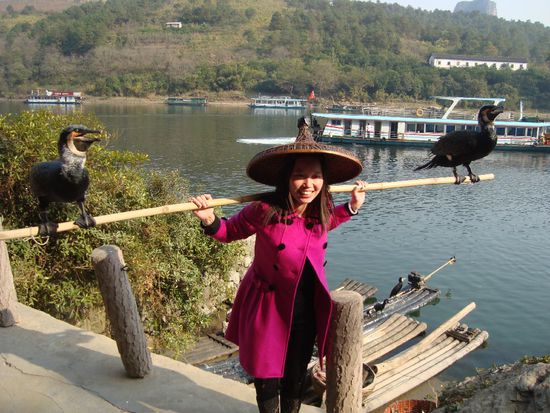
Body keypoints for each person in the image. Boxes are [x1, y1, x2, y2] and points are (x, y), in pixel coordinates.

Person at [190, 118, 366, 413]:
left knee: (296, 377)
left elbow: (328, 223)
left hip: (306, 309)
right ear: (286, 178)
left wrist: (351, 207)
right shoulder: (264, 210)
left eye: (315, 176)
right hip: (269, 306)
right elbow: (230, 231)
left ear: (324, 180)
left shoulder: (321, 211)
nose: (308, 184)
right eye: (299, 176)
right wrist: (210, 220)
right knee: (267, 378)